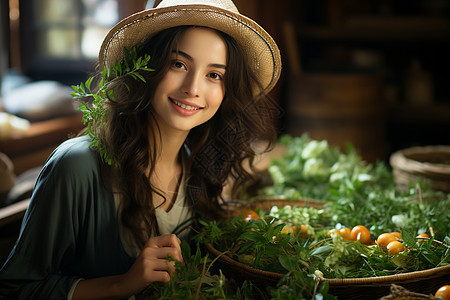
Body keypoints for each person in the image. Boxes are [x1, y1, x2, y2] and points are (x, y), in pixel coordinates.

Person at [0, 0, 281, 299]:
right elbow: (15, 288)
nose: (193, 88)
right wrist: (121, 284)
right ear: (144, 68)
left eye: (215, 75)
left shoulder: (196, 165)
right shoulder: (78, 166)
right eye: (178, 64)